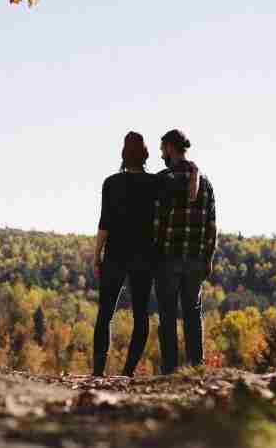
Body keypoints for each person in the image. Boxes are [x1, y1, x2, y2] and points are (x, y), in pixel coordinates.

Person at [92, 132, 200, 377]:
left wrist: (96, 255)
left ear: (123, 154)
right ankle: (127, 372)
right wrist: (194, 169)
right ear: (146, 155)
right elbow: (185, 184)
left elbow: (104, 223)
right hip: (144, 258)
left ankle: (98, 372)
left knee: (105, 313)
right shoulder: (155, 182)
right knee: (141, 316)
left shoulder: (111, 183)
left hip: (115, 256)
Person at [154, 129, 217, 374]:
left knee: (167, 316)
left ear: (170, 147)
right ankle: (196, 368)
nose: (161, 154)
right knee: (193, 314)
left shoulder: (164, 179)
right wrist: (208, 259)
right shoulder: (206, 184)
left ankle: (169, 370)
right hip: (195, 260)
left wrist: (155, 253)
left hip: (168, 258)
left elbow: (157, 222)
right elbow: (212, 225)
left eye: (162, 149)